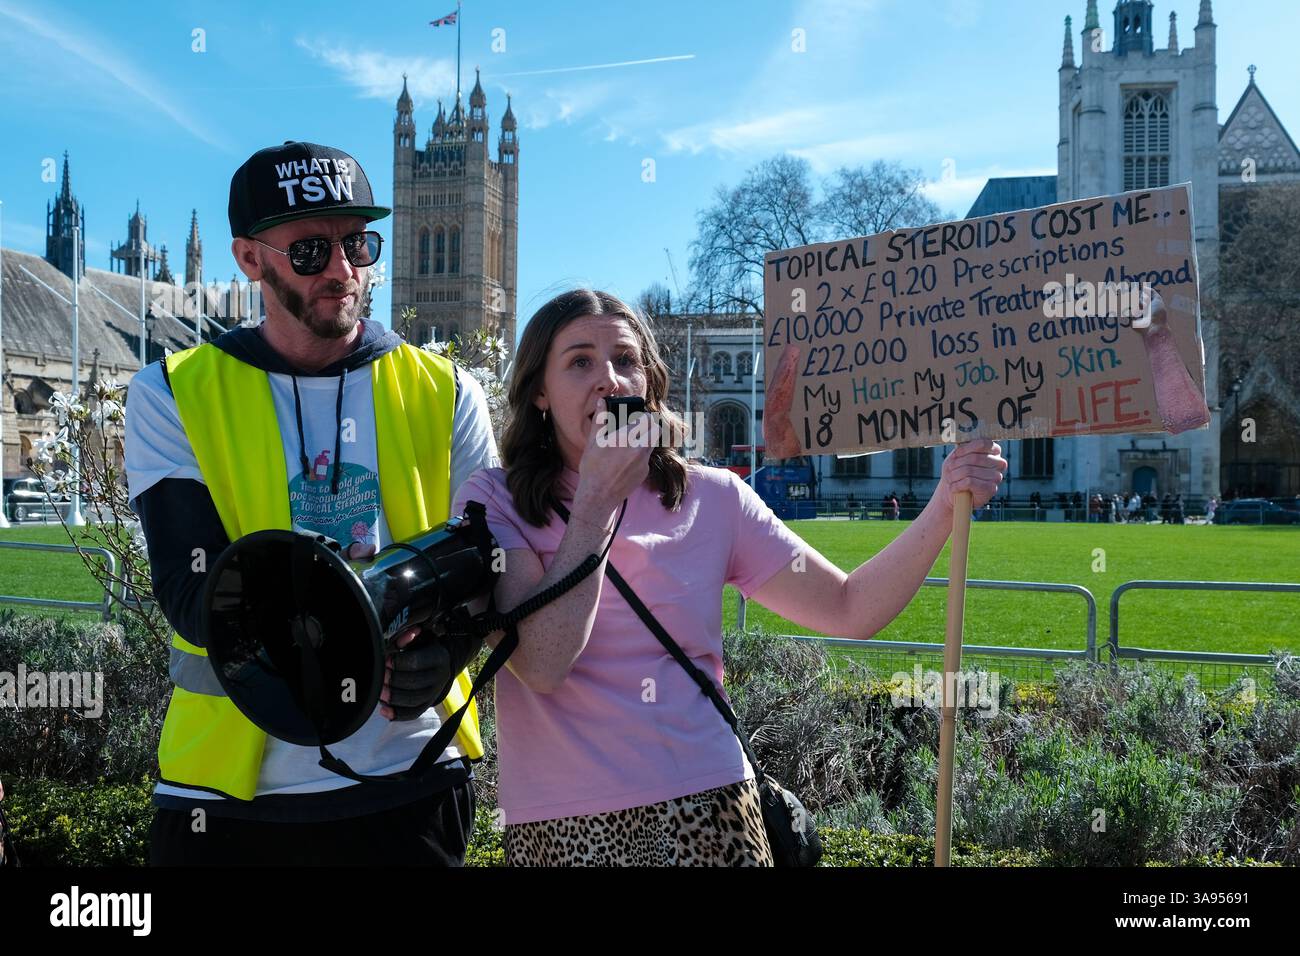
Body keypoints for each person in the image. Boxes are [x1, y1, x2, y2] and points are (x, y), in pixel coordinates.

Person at [452, 290, 1006, 866]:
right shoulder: (494, 501)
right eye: (580, 362)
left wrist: (946, 503)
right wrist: (594, 503)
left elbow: (849, 607)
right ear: (539, 391)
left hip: (710, 812)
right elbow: (542, 663)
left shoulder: (712, 498)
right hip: (560, 827)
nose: (609, 381)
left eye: (625, 360)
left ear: (649, 381)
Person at [125, 142, 498, 865]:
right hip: (229, 794)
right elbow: (189, 590)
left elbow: (491, 558)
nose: (343, 270)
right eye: (310, 251)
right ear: (248, 259)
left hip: (409, 776)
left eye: (357, 244)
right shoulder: (172, 392)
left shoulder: (447, 389)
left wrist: (457, 640)